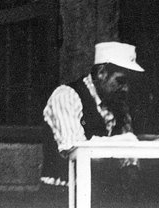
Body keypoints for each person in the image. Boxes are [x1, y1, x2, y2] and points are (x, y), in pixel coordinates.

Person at [41, 41, 142, 191]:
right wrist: (122, 142)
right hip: (62, 194)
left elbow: (129, 159)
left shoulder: (118, 106)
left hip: (101, 196)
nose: (126, 89)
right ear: (101, 73)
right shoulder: (66, 96)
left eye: (129, 83)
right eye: (120, 81)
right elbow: (75, 148)